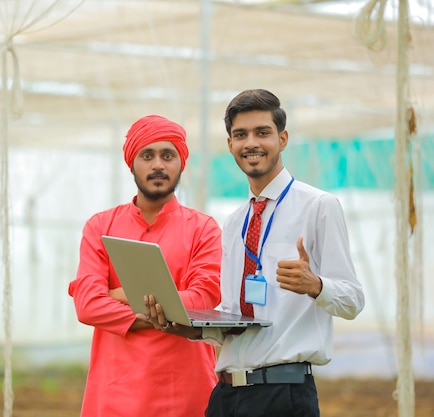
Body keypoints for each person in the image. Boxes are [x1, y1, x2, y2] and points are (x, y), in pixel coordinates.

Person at [147, 89, 365, 417]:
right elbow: (236, 314)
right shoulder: (236, 222)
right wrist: (190, 329)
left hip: (283, 395)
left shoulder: (319, 207)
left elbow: (353, 301)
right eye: (240, 135)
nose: (251, 143)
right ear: (230, 144)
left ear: (283, 138)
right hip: (226, 395)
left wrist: (316, 285)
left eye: (262, 132)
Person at [68, 114, 222, 417]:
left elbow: (203, 300)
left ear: (181, 163)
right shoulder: (101, 226)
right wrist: (168, 310)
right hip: (117, 394)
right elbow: (87, 306)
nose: (158, 165)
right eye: (147, 155)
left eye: (168, 155)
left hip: (187, 393)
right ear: (132, 163)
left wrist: (118, 294)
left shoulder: (203, 229)